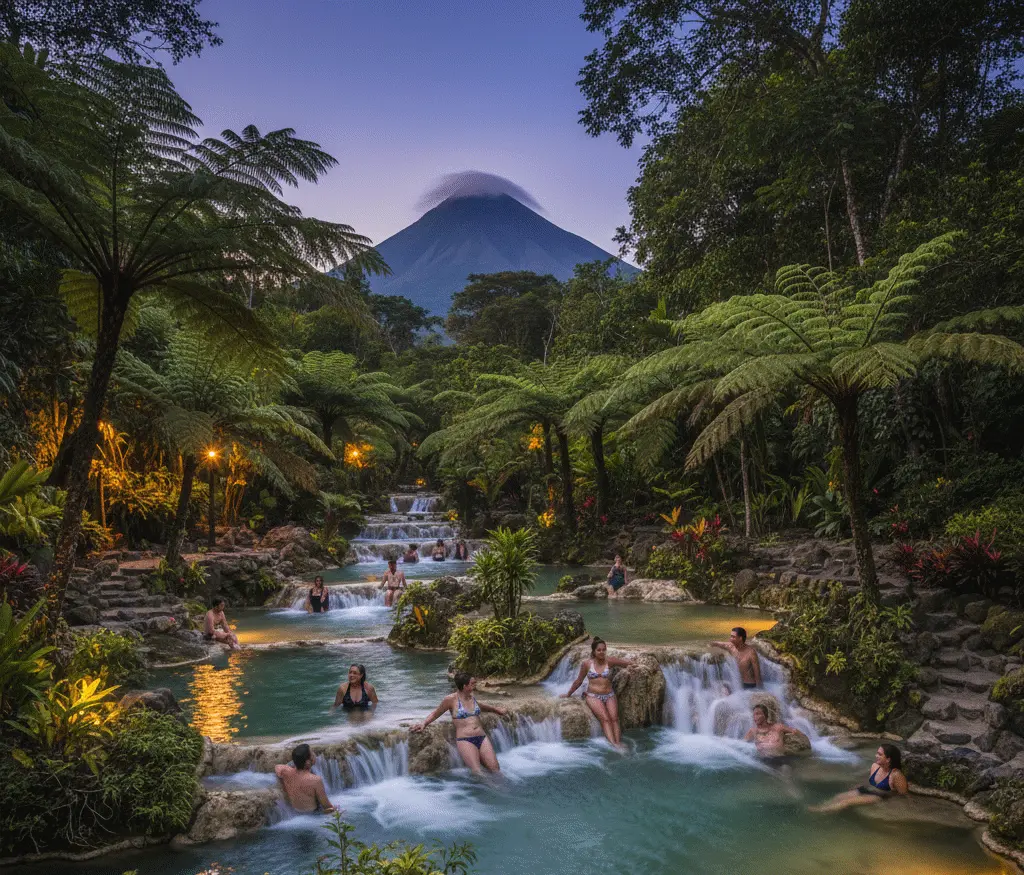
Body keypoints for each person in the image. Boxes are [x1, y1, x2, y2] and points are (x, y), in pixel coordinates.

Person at [410, 672, 508, 774]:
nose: (475, 685)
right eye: (472, 683)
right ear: (465, 686)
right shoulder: (450, 699)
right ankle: (491, 789)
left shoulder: (472, 697)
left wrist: (496, 710)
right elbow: (435, 713)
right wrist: (424, 724)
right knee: (478, 773)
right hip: (465, 740)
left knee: (496, 769)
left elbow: (481, 706)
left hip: (482, 737)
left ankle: (501, 788)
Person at [562, 637, 633, 747]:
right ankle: (614, 744)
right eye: (599, 650)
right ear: (594, 651)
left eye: (604, 649)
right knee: (605, 719)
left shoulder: (610, 661)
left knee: (614, 719)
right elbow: (579, 681)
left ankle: (618, 742)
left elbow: (626, 663)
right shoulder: (586, 664)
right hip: (593, 696)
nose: (601, 652)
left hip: (609, 695)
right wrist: (568, 694)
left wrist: (635, 665)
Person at [810, 744, 909, 812]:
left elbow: (902, 794)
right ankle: (821, 806)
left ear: (888, 759)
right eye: (877, 753)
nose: (876, 756)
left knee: (845, 802)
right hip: (866, 789)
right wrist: (859, 786)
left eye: (880, 754)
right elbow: (870, 781)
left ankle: (820, 811)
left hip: (879, 795)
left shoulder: (896, 775)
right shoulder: (875, 766)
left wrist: (890, 804)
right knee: (839, 797)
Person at [274, 743, 336, 814]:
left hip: (295, 813)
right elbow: (328, 807)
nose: (314, 755)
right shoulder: (315, 780)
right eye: (312, 754)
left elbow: (277, 767)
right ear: (307, 762)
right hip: (313, 816)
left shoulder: (286, 772)